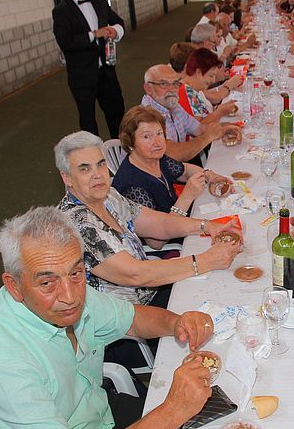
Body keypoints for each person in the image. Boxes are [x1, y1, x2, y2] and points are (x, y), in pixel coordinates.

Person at [0, 206, 215, 429]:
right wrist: (173, 409)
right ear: (14, 286)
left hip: (95, 420)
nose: (70, 297)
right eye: (47, 282)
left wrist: (177, 322)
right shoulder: (2, 362)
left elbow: (134, 319)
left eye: (76, 272)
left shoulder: (65, 290)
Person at [56, 131, 240, 307]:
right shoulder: (77, 223)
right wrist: (206, 261)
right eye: (85, 169)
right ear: (67, 178)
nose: (97, 174)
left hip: (151, 289)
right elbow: (135, 275)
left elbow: (158, 223)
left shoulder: (109, 196)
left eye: (101, 164)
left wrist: (208, 226)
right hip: (132, 314)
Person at [112, 106, 229, 216]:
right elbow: (158, 230)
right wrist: (186, 197)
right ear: (130, 143)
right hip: (172, 228)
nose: (157, 142)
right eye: (147, 137)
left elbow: (185, 171)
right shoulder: (132, 187)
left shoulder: (155, 158)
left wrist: (209, 175)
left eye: (159, 133)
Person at [53, 0, 126, 138]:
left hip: (107, 72)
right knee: (88, 121)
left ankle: (121, 150)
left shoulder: (100, 2)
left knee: (117, 114)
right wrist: (94, 34)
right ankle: (94, 152)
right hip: (82, 76)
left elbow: (119, 22)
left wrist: (115, 31)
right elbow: (65, 42)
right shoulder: (61, 11)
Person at [141, 64, 234, 163]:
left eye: (175, 83)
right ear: (148, 88)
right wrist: (208, 137)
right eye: (164, 84)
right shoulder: (147, 116)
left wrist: (226, 128)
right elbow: (173, 154)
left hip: (180, 167)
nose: (172, 89)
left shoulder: (172, 106)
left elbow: (199, 129)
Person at [177, 48, 240, 124]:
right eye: (211, 76)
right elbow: (197, 127)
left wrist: (220, 109)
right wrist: (220, 112)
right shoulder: (185, 92)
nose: (213, 81)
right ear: (198, 72)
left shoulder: (195, 89)